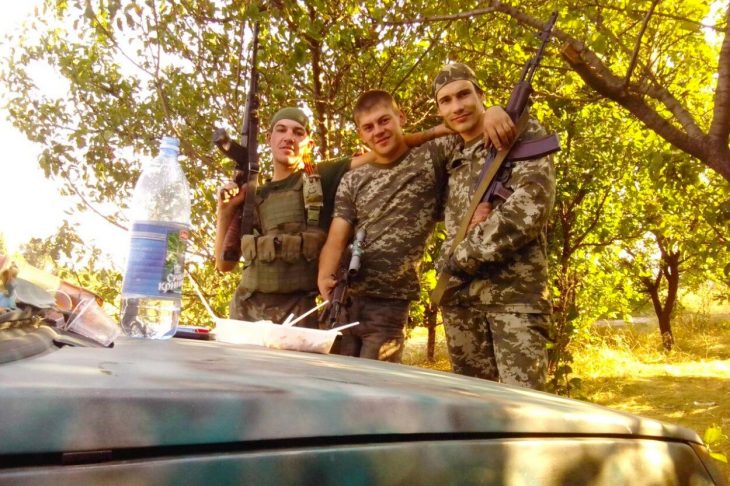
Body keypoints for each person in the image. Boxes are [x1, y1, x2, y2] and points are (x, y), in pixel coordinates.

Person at [317, 91, 512, 362]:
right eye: (369, 127)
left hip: (389, 306)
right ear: (361, 135)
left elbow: (464, 125)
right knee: (331, 385)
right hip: (344, 301)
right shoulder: (353, 179)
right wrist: (325, 277)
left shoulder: (432, 155)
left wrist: (493, 111)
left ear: (401, 118)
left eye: (384, 121)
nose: (378, 131)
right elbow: (337, 238)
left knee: (375, 393)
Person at [214, 107, 450, 327]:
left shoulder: (320, 177)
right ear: (269, 138)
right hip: (246, 311)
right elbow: (224, 264)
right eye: (281, 130)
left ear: (309, 143)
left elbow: (386, 148)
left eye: (298, 132)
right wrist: (224, 211)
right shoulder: (255, 194)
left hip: (297, 315)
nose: (289, 137)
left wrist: (436, 131)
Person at [432, 63, 556, 390]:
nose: (457, 106)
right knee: (472, 412)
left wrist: (460, 256)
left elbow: (531, 206)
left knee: (524, 412)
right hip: (461, 302)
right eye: (446, 101)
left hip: (514, 296)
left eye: (463, 94)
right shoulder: (451, 154)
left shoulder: (520, 135)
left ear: (481, 95)